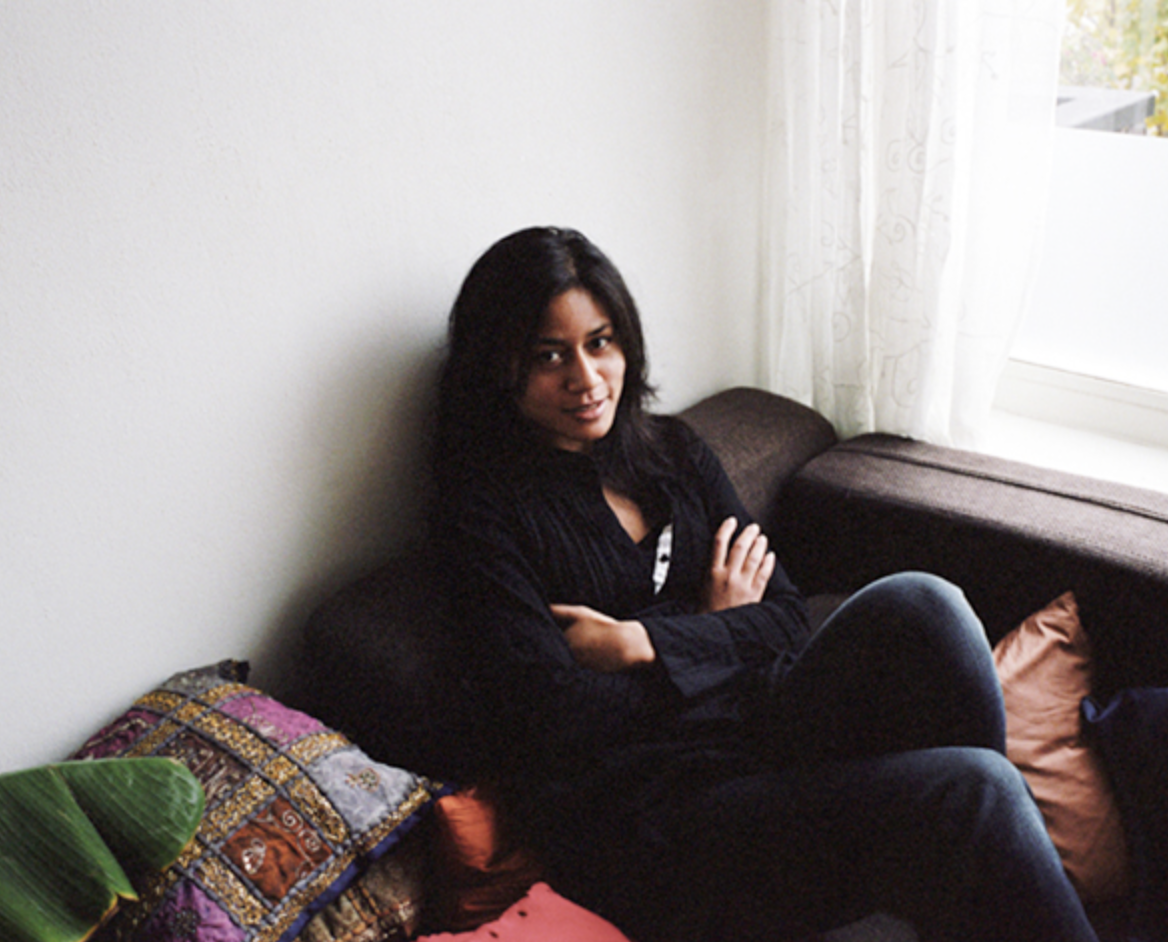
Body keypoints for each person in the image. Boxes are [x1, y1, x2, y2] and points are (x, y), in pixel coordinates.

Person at [426, 226, 1099, 942]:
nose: (587, 379)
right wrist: (716, 630)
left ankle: (980, 896)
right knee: (977, 789)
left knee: (925, 603)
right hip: (660, 817)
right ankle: (983, 877)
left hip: (755, 726)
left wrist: (643, 641)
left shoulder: (673, 452)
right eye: (549, 356)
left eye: (600, 343)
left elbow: (784, 617)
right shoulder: (483, 516)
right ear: (499, 367)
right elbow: (557, 718)